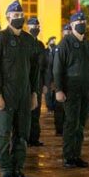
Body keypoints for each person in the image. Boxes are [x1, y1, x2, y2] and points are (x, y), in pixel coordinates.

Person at [0, 0, 40, 177]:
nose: (19, 18)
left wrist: (34, 93)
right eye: (15, 16)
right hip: (6, 94)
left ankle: (18, 169)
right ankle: (6, 170)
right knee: (3, 133)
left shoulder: (28, 40)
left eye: (21, 15)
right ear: (8, 17)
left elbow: (34, 70)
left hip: (24, 95)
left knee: (22, 134)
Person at [53, 11, 89, 168]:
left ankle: (76, 155)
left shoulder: (88, 45)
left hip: (86, 90)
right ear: (71, 25)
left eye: (83, 21)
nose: (81, 24)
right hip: (71, 89)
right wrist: (58, 89)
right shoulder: (65, 43)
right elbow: (58, 69)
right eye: (78, 22)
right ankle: (68, 156)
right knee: (71, 123)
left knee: (81, 124)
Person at [26, 17, 49, 147]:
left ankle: (34, 138)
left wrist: (45, 83)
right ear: (27, 27)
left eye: (37, 26)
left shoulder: (40, 45)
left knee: (36, 110)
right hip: (26, 81)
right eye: (32, 26)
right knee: (26, 111)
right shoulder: (23, 42)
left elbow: (45, 66)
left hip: (38, 81)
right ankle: (25, 137)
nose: (35, 28)